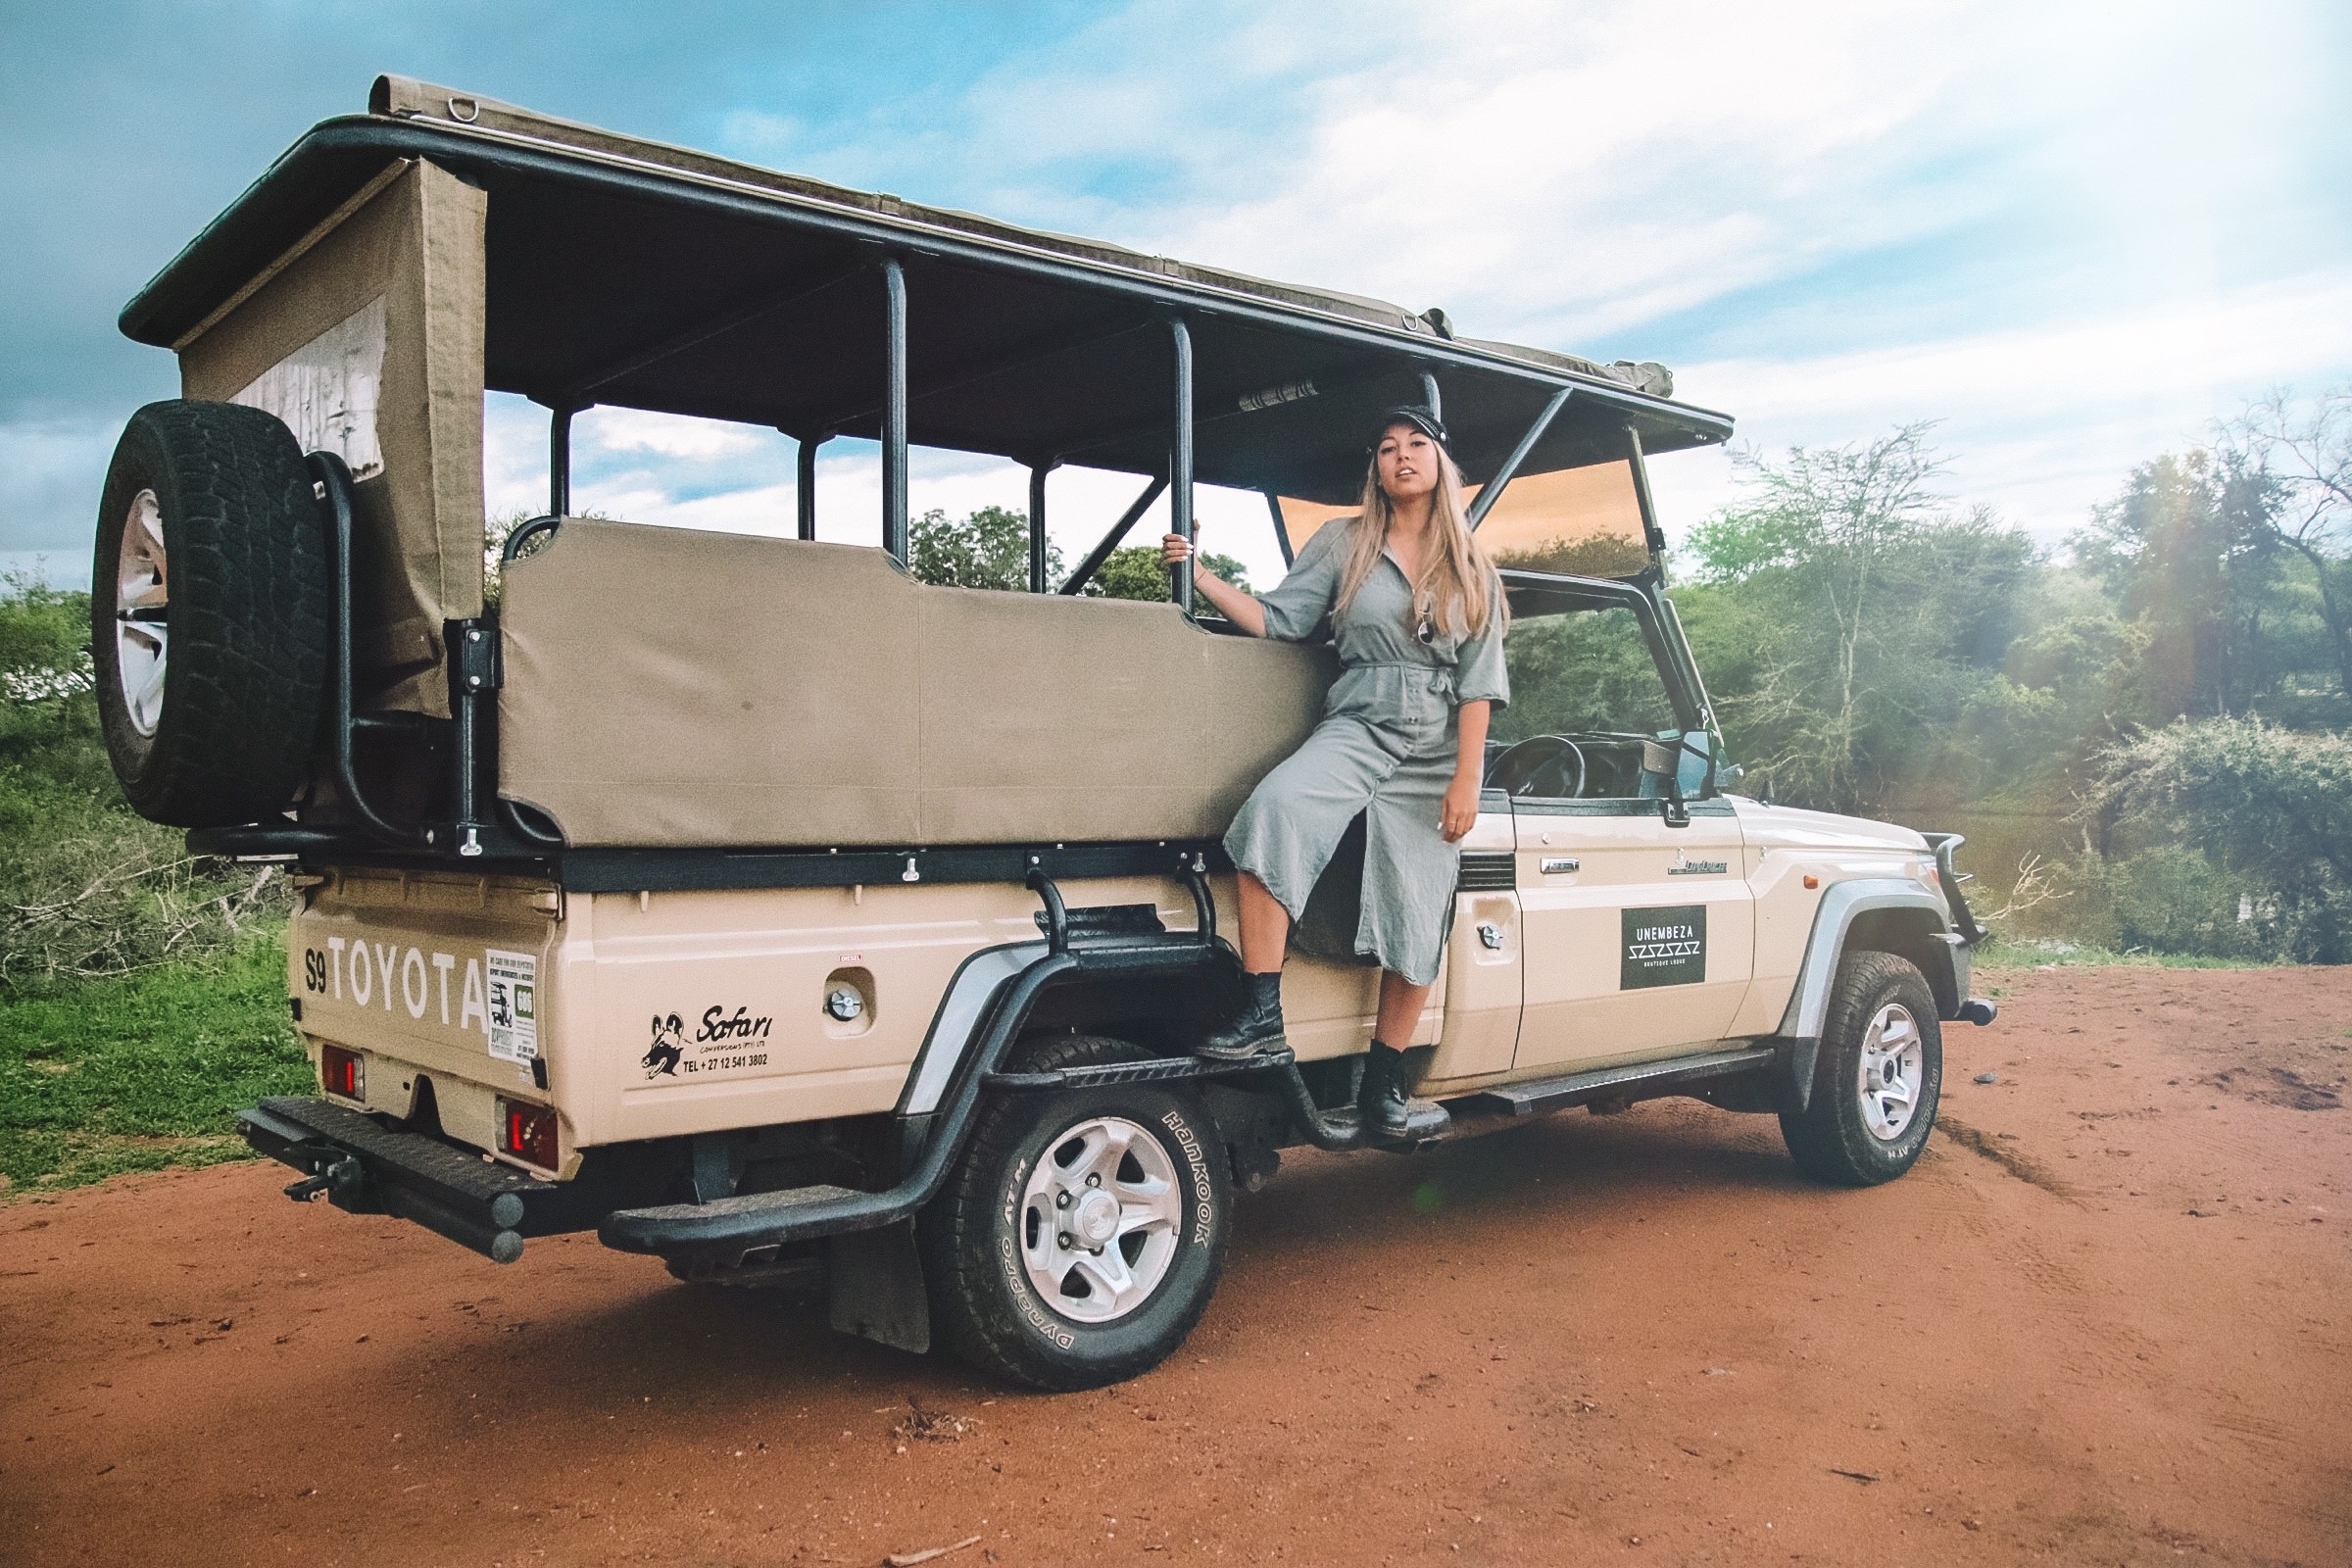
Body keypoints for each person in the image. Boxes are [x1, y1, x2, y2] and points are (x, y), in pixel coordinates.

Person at [1162, 407, 1509, 1137]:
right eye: (1386, 448)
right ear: (1375, 468)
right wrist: (1200, 573)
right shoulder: (1342, 541)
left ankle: (1385, 1086)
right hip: (1358, 721)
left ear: (1441, 464)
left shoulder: (1471, 565)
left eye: (1417, 445)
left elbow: (1478, 686)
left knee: (1419, 905)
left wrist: (1467, 779)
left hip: (1435, 748)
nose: (1402, 456)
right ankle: (1261, 1014)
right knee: (1273, 813)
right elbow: (1280, 620)